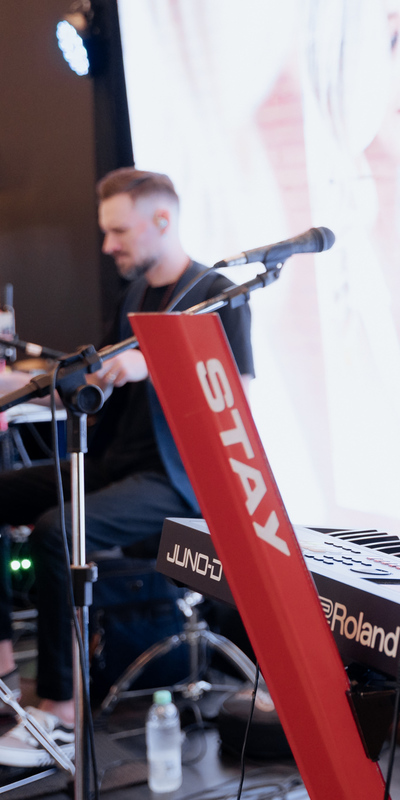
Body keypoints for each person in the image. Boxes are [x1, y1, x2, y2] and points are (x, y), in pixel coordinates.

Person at [0, 168, 254, 767]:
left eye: (118, 231)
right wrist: (19, 385)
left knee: (58, 532)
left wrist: (155, 365)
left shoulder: (218, 294)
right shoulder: (135, 297)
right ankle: (4, 664)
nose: (108, 245)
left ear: (162, 220)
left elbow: (237, 398)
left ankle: (61, 711)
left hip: (177, 480)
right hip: (119, 464)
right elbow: (93, 378)